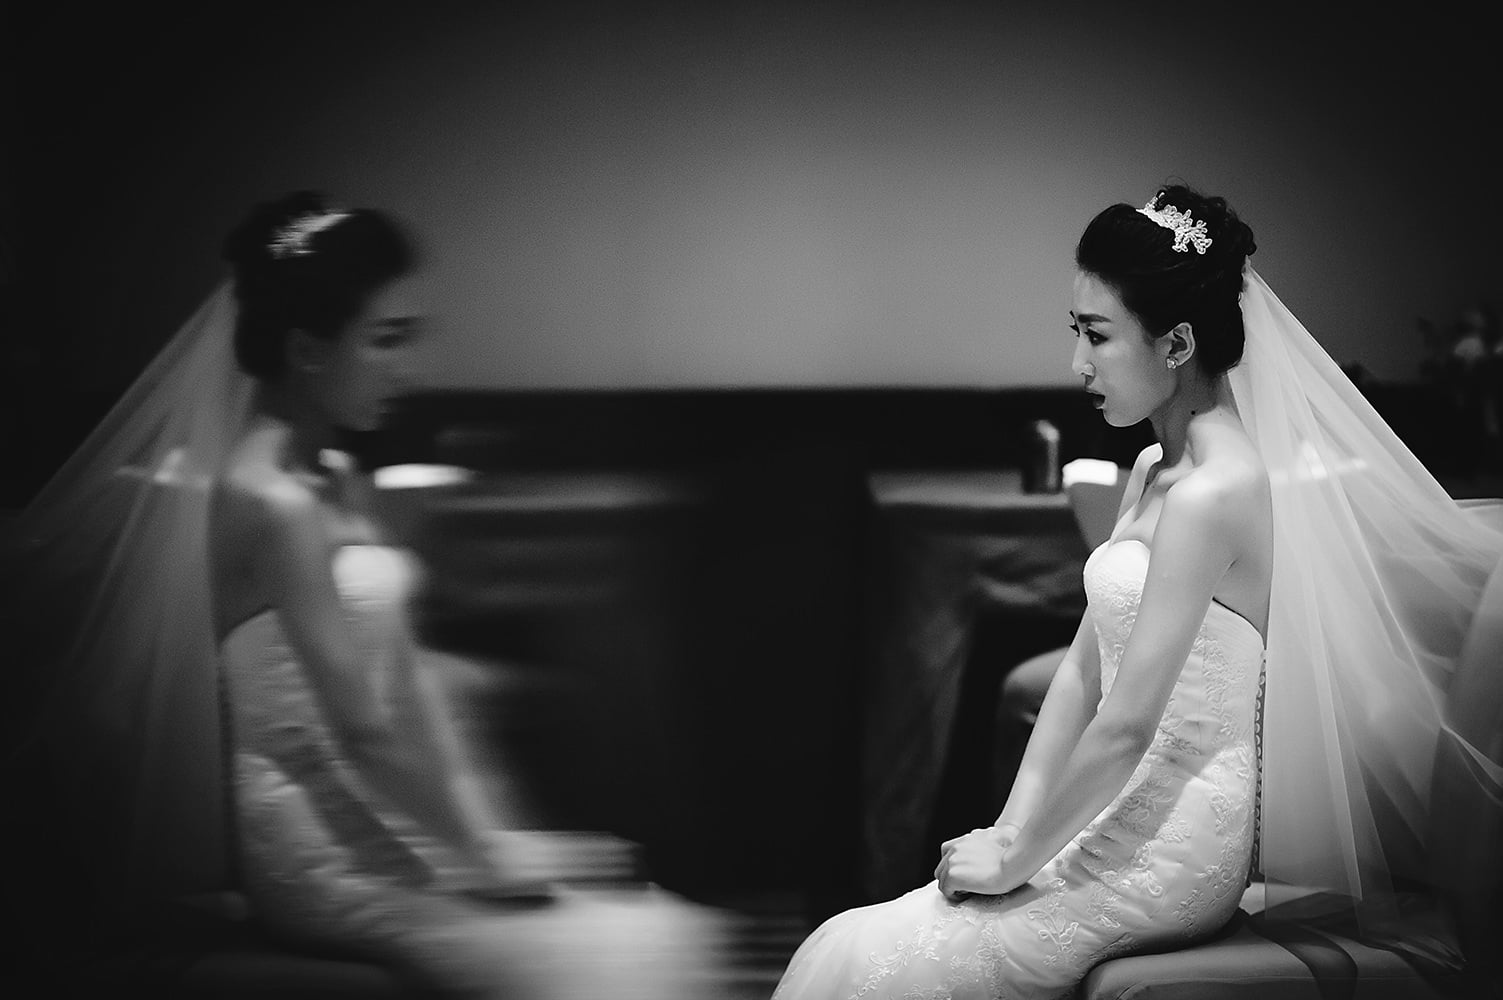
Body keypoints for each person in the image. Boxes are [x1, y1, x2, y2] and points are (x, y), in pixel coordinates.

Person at [772, 184, 1503, 999]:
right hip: (1111, 809)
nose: (1077, 363)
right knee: (858, 943)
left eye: (1097, 335)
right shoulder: (1157, 467)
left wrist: (1017, 859)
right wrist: (1010, 829)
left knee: (869, 958)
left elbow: (1127, 725)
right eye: (1075, 332)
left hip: (1173, 846)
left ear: (1176, 343)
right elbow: (1082, 673)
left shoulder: (1213, 493)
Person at [7, 192, 726, 999]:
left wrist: (485, 829)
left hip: (378, 805)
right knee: (623, 951)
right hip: (316, 843)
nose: (407, 368)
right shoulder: (270, 503)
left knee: (634, 910)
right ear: (308, 350)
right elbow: (361, 730)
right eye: (384, 340)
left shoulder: (337, 475)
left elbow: (407, 684)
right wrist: (481, 857)